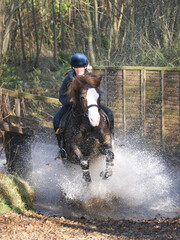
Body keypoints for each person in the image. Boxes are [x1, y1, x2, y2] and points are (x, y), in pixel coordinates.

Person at [53, 53, 114, 159]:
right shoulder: (68, 79)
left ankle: (111, 139)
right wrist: (69, 100)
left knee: (109, 113)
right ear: (73, 67)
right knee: (56, 120)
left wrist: (94, 97)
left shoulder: (91, 77)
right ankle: (62, 149)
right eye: (76, 67)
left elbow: (102, 91)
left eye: (81, 67)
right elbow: (61, 97)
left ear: (85, 67)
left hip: (90, 105)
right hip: (73, 106)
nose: (78, 69)